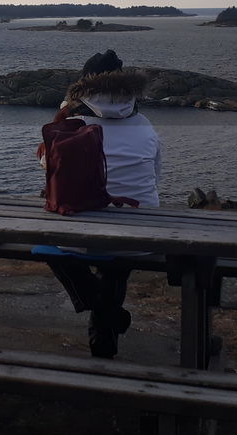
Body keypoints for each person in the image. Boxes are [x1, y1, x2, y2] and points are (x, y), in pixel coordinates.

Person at [40, 50, 162, 357]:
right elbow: (156, 175)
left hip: (82, 227)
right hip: (142, 232)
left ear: (82, 88)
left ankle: (106, 313)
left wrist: (62, 114)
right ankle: (103, 340)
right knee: (117, 267)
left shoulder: (74, 125)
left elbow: (48, 167)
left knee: (45, 240)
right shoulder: (146, 124)